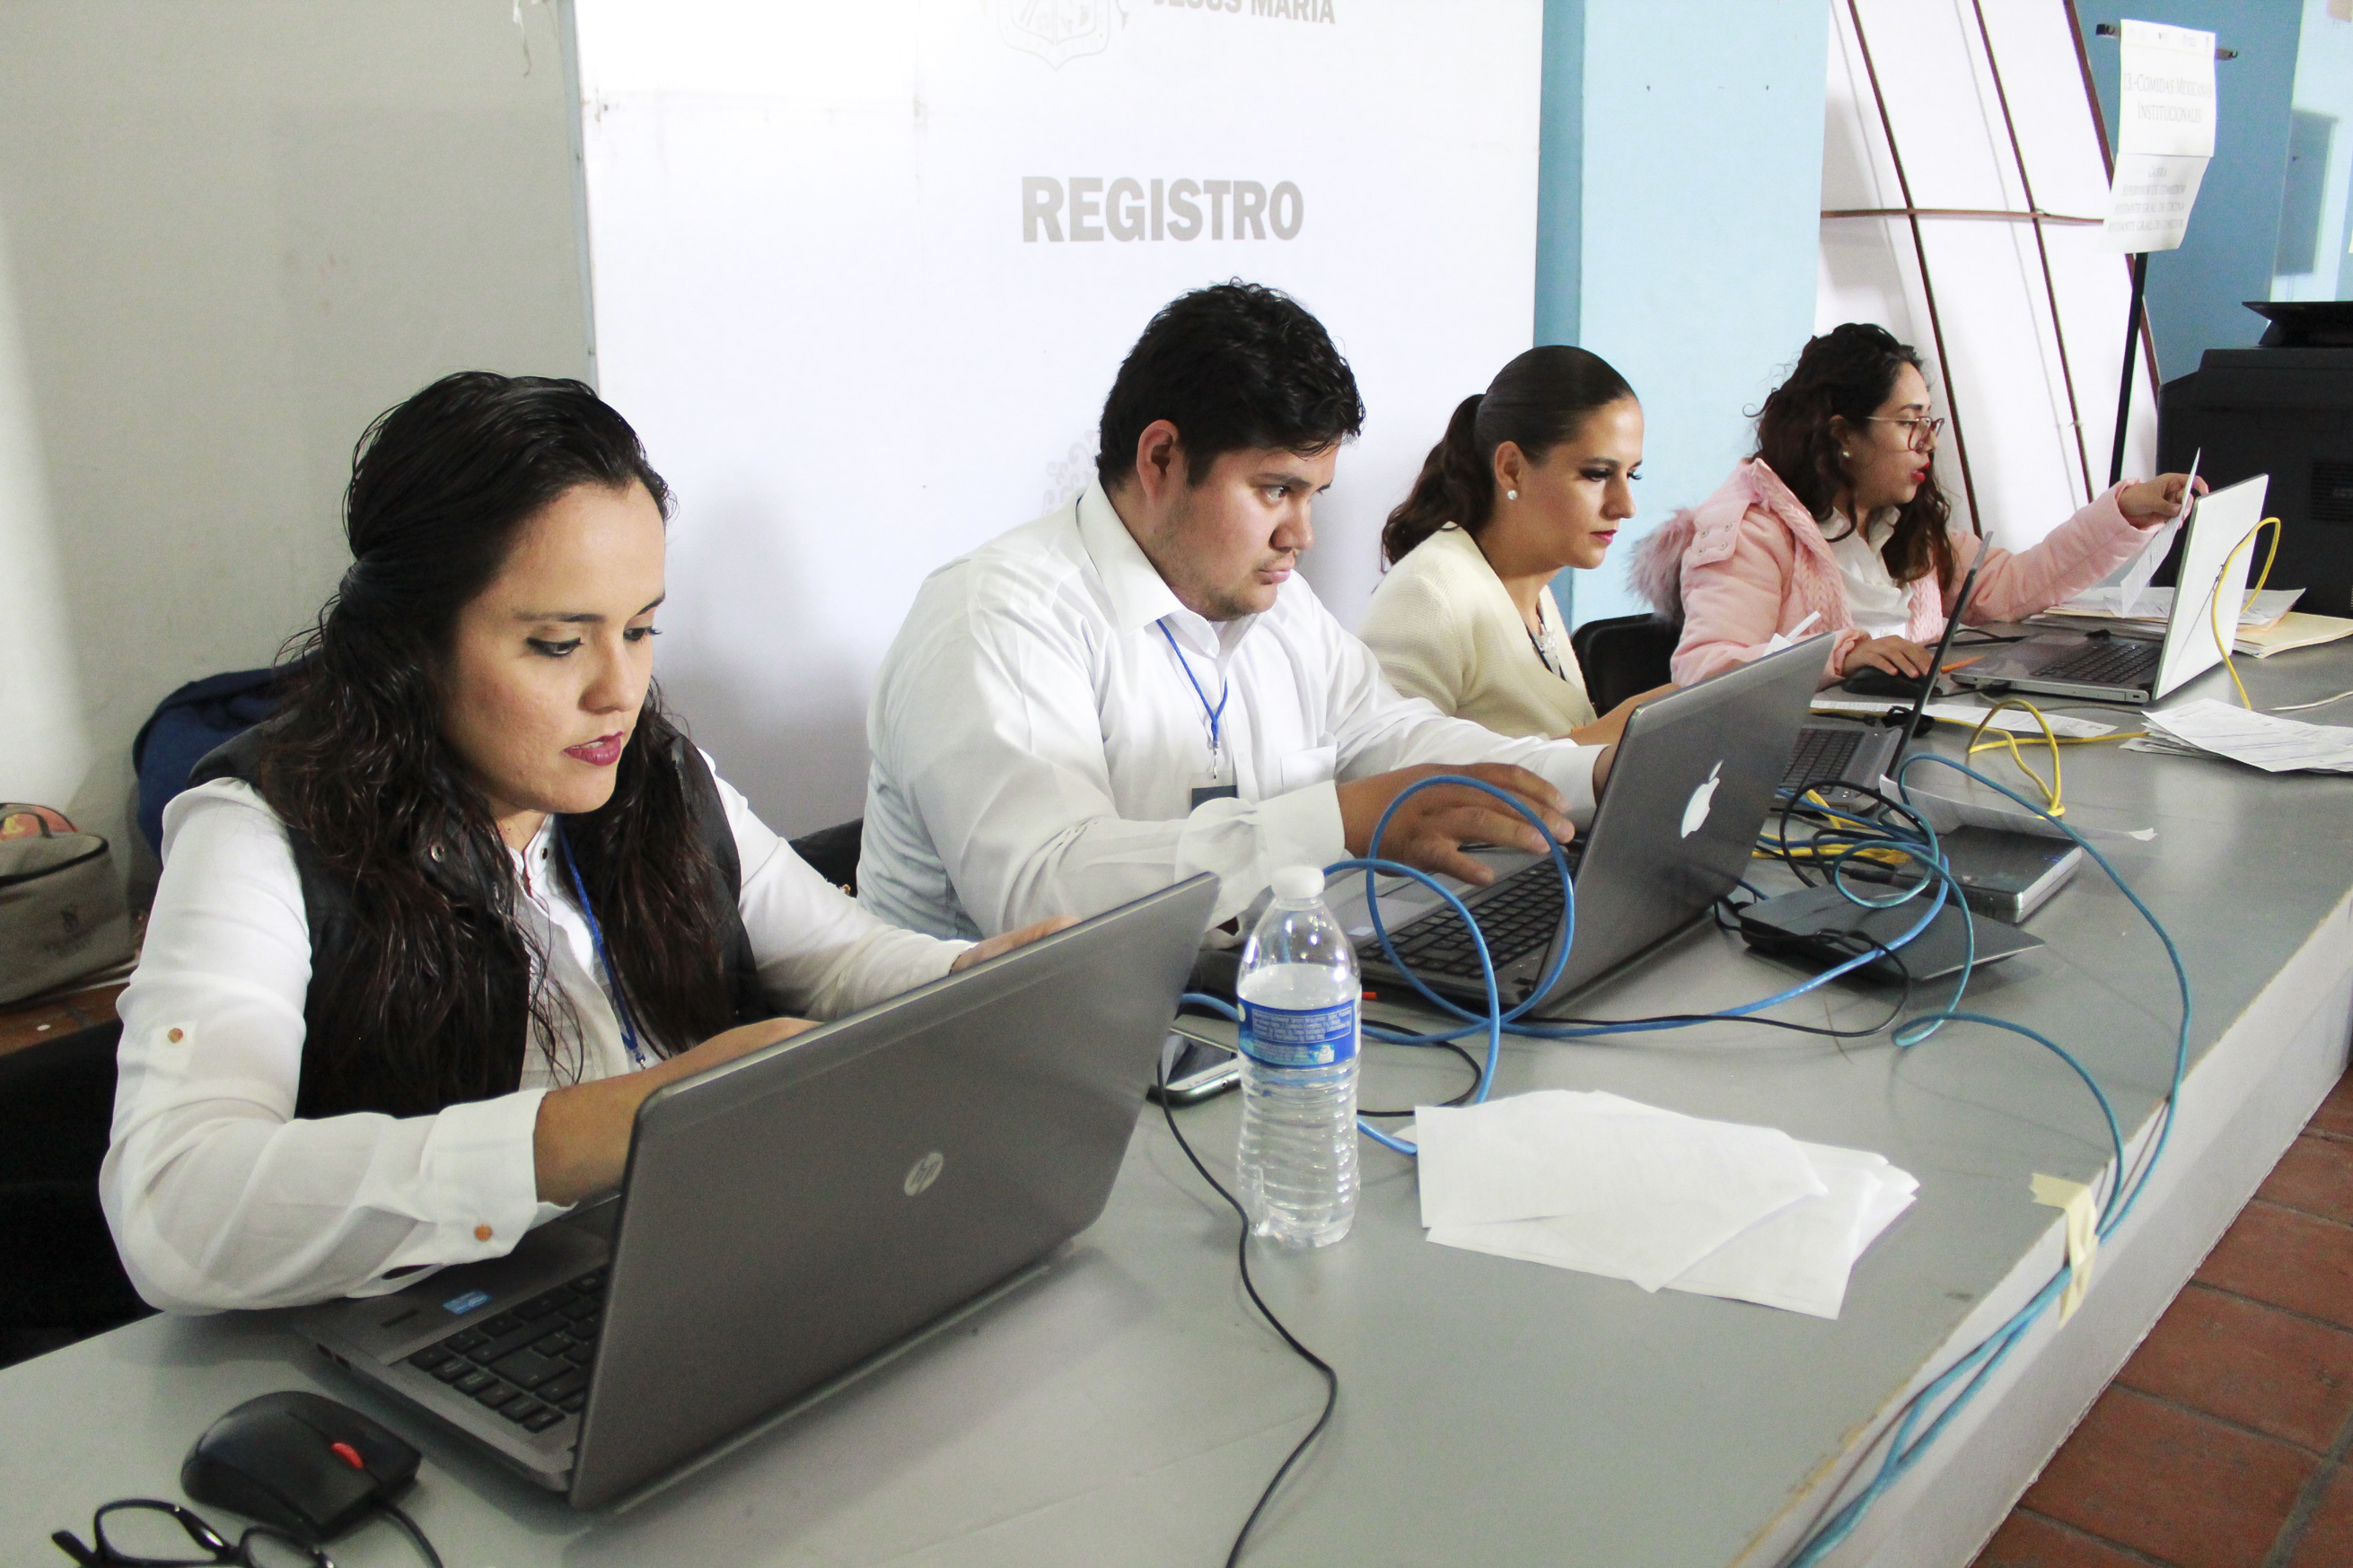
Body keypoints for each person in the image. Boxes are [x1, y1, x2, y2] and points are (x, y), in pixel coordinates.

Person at [101, 373, 1062, 1313]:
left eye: (639, 630)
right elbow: (174, 1208)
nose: (619, 690)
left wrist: (972, 978)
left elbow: (839, 957)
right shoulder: (261, 833)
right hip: (466, 1319)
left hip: (700, 1269)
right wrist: (611, 1125)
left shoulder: (653, 773)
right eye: (559, 644)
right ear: (410, 645)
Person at [858, 282, 1614, 942]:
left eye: (1313, 495)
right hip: (1002, 1050)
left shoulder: (1274, 600)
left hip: (1223, 1012)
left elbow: (1393, 736)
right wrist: (1335, 821)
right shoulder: (994, 616)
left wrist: (1594, 774)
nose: (1301, 535)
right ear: (1161, 458)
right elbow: (1042, 891)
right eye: (1275, 490)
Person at [1629, 322, 2202, 688]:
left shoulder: (1898, 520)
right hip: (1796, 768)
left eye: (1929, 421)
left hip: (1894, 740)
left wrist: (2128, 511)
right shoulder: (1752, 531)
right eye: (1909, 422)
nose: (1928, 441)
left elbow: (2011, 587)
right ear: (1843, 434)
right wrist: (1843, 655)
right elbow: (1703, 670)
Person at [1360, 345, 1673, 746]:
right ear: (1511, 469)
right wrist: (1608, 737)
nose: (1625, 506)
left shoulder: (1531, 590)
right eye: (1597, 474)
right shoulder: (1430, 595)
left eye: (1632, 475)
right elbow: (1382, 769)